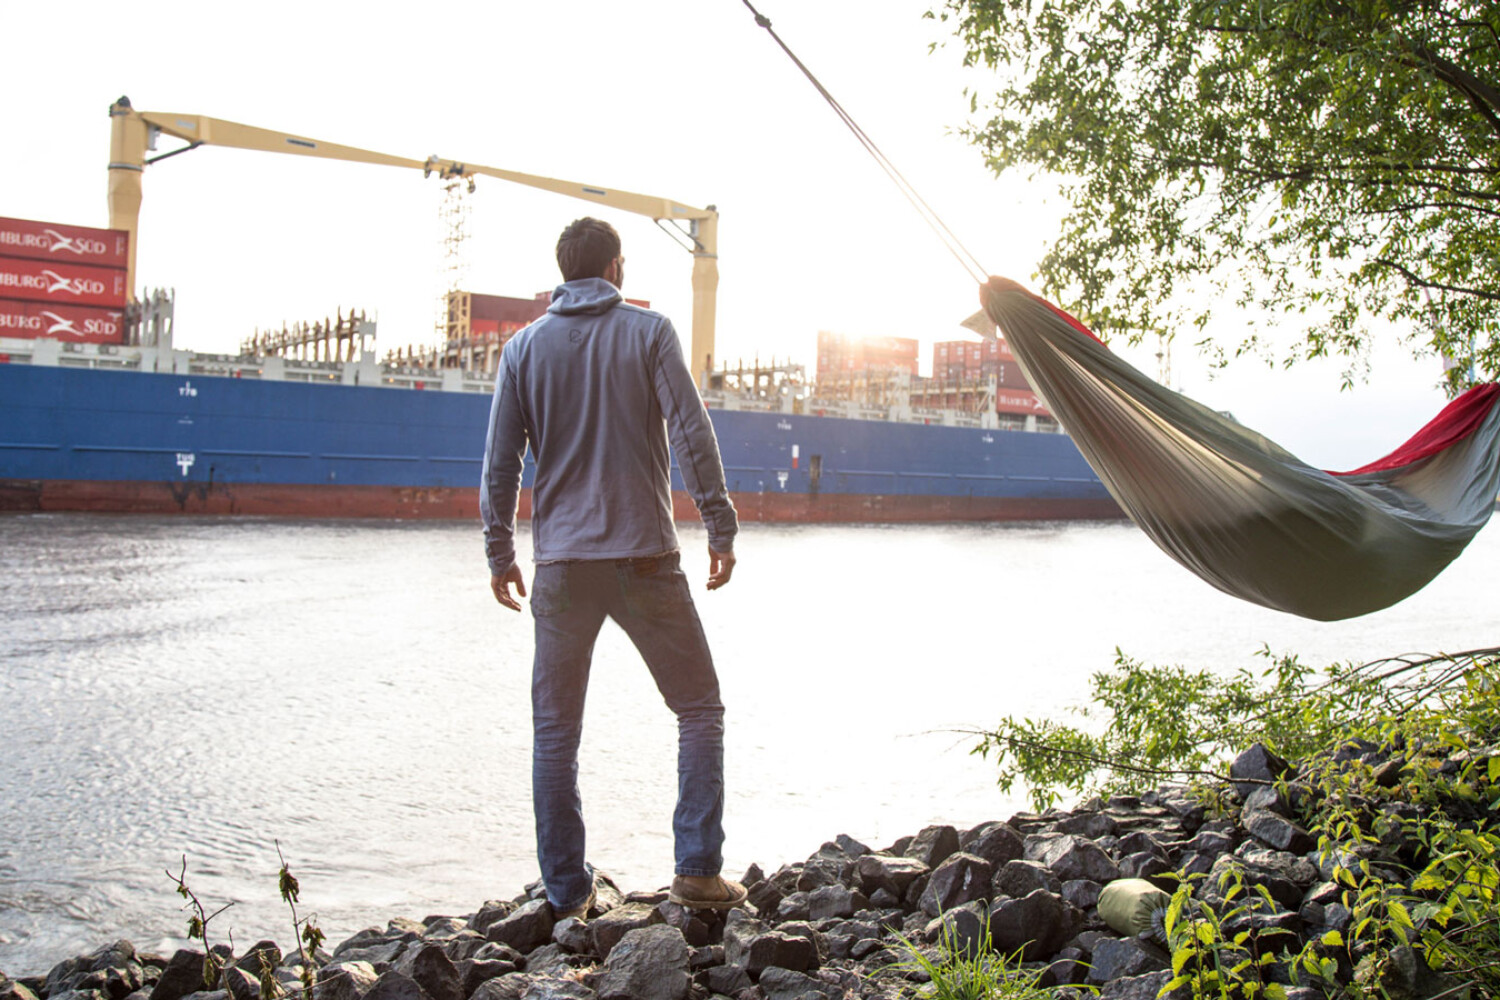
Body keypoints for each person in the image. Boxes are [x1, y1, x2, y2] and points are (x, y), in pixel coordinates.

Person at [479, 217, 747, 919]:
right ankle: (696, 869)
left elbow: (500, 464)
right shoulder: (649, 332)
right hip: (645, 556)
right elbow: (691, 432)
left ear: (561, 271)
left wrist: (499, 551)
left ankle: (567, 893)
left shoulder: (521, 350)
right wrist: (718, 522)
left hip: (562, 565)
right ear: (617, 269)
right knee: (698, 709)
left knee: (555, 735)